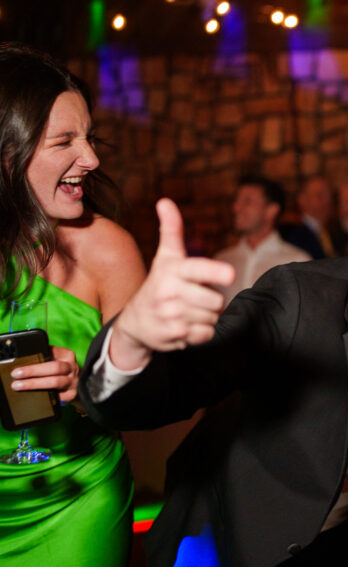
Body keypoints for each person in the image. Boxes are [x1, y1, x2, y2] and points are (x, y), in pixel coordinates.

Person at [77, 138, 348, 567]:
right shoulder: (298, 299)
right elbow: (175, 388)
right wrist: (130, 341)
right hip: (228, 538)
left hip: (346, 543)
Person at [0, 43, 146, 566]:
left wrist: (87, 383)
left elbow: (152, 398)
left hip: (76, 504)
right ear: (7, 153)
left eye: (88, 137)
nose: (92, 159)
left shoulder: (108, 250)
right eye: (65, 141)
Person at [214, 175, 311, 305]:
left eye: (247, 201)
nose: (236, 208)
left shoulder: (297, 262)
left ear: (271, 211)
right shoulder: (222, 260)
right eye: (237, 201)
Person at [278, 176, 337, 259]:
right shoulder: (293, 234)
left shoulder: (334, 232)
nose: (327, 201)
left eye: (330, 196)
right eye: (320, 195)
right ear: (302, 200)